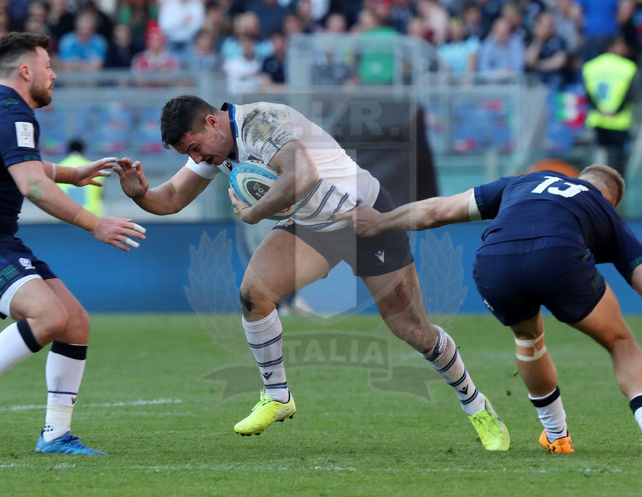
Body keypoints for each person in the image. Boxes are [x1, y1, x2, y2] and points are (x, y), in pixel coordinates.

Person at [113, 95, 510, 450]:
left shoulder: (261, 123)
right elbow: (171, 200)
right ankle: (278, 396)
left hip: (362, 219)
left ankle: (478, 406)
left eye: (196, 149)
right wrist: (141, 195)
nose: (198, 160)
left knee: (414, 331)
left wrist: (254, 213)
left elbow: (303, 176)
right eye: (191, 154)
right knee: (254, 293)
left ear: (212, 122)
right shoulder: (215, 148)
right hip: (312, 229)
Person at [339, 164, 642, 457]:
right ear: (610, 198)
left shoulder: (522, 182)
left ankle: (556, 437)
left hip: (494, 261)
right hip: (558, 258)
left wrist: (380, 222)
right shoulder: (604, 211)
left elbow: (438, 210)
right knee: (620, 341)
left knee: (528, 337)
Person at [0, 32, 146, 455]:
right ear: (25, 70)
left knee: (74, 322)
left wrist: (73, 174)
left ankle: (55, 434)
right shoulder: (13, 115)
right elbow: (31, 184)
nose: (54, 75)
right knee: (49, 316)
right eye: (48, 67)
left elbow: (26, 165)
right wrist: (94, 223)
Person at [582, 36, 636, 178]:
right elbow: (630, 94)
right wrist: (616, 111)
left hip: (598, 119)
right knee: (618, 163)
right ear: (613, 46)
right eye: (622, 44)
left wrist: (599, 109)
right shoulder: (628, 67)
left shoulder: (590, 66)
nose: (625, 49)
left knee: (598, 161)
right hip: (619, 121)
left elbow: (587, 93)